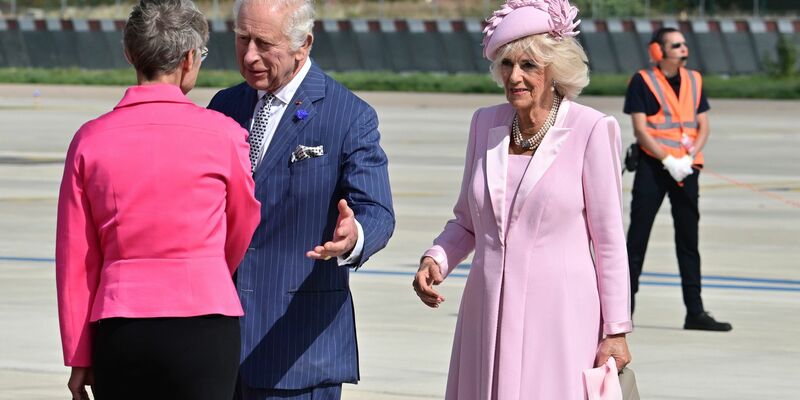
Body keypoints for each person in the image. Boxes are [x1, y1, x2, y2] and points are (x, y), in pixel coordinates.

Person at [412, 1, 632, 398]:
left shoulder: (592, 129)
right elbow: (467, 221)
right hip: (486, 310)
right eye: (506, 64)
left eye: (529, 65)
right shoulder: (484, 123)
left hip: (559, 315)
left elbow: (609, 240)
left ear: (554, 69)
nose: (515, 76)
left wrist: (615, 331)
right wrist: (437, 258)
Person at [55, 1, 261, 399]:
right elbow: (241, 227)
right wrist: (205, 267)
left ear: (129, 54)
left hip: (122, 325)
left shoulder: (90, 140)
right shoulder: (225, 136)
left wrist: (79, 355)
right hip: (206, 321)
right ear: (189, 60)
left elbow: (76, 260)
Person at [207, 0, 395, 398]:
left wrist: (354, 237)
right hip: (220, 347)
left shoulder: (348, 116)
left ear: (303, 45)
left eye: (264, 43)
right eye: (242, 39)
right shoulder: (224, 107)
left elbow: (377, 210)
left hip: (298, 350)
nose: (250, 55)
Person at [624, 27, 732, 331]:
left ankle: (694, 312)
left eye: (684, 44)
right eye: (676, 45)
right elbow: (640, 129)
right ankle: (622, 310)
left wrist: (688, 157)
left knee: (688, 240)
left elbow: (703, 126)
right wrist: (667, 159)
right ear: (658, 52)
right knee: (637, 239)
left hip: (686, 167)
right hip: (653, 166)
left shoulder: (695, 80)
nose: (684, 48)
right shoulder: (642, 81)